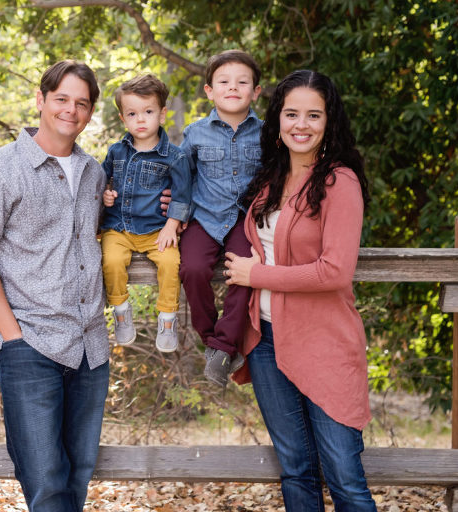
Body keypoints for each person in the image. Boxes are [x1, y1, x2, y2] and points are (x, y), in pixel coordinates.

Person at [0, 60, 109, 512]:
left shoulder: (94, 174)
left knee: (77, 478)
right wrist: (12, 338)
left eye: (82, 103)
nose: (71, 110)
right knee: (45, 483)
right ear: (40, 101)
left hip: (89, 346)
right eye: (61, 99)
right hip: (31, 344)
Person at [224, 69, 376, 511]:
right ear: (278, 119)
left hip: (325, 344)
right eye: (292, 114)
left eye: (314, 115)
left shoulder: (338, 181)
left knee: (345, 479)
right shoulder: (270, 180)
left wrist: (258, 276)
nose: (301, 125)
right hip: (266, 341)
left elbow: (334, 272)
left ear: (330, 121)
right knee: (296, 471)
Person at [178, 49, 263, 388]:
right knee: (192, 268)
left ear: (255, 92)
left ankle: (223, 346)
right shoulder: (194, 133)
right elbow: (182, 178)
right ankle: (215, 342)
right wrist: (175, 215)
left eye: (242, 82)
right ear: (209, 91)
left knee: (244, 273)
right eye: (223, 82)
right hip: (205, 218)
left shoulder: (267, 134)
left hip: (245, 220)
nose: (233, 87)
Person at [100, 74, 192, 353]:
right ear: (123, 118)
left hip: (156, 229)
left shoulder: (174, 157)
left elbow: (182, 194)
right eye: (132, 113)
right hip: (119, 228)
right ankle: (120, 310)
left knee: (170, 263)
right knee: (112, 261)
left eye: (148, 112)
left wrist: (171, 226)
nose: (141, 119)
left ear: (162, 114)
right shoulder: (116, 151)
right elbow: (103, 180)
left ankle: (167, 318)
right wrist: (105, 193)